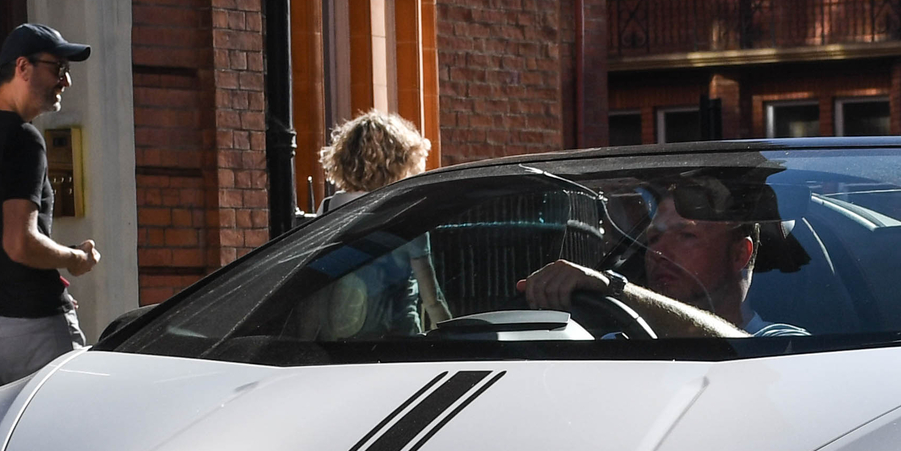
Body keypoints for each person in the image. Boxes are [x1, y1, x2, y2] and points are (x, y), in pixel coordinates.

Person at [0, 22, 100, 404]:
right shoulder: (23, 138)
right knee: (64, 436)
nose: (66, 81)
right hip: (27, 323)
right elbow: (19, 243)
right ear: (23, 68)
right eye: (58, 69)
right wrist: (74, 258)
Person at [518, 187, 808, 338]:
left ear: (739, 255)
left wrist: (615, 288)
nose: (660, 252)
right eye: (653, 239)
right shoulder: (618, 345)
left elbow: (737, 348)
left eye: (686, 236)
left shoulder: (785, 344)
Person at [310, 110, 447, 336]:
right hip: (396, 345)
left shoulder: (328, 210)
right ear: (402, 160)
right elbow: (432, 299)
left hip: (338, 345)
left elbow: (314, 289)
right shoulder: (407, 216)